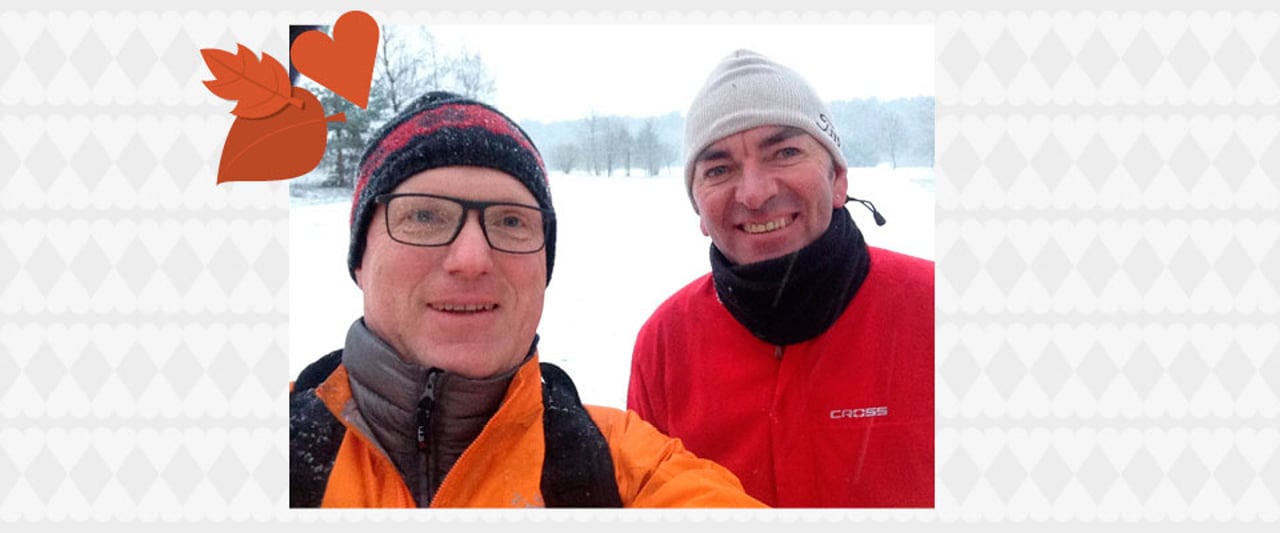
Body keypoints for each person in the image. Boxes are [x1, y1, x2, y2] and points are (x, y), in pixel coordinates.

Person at [290, 91, 764, 508]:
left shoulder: (627, 473)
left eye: (511, 222)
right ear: (358, 257)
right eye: (424, 216)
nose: (472, 259)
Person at [627, 50, 935, 508]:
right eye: (718, 169)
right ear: (699, 210)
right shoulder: (665, 346)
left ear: (838, 180)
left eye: (785, 152)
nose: (755, 193)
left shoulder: (936, 312)